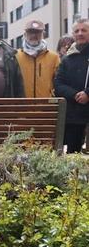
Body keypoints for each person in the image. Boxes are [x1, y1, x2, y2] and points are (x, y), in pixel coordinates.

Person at [54, 18, 89, 153]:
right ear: (73, 35)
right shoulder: (67, 59)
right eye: (77, 31)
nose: (80, 33)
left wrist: (87, 93)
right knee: (73, 154)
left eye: (84, 30)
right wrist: (75, 95)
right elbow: (58, 84)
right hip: (74, 116)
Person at [15, 20, 60, 98]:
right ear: (25, 34)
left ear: (43, 34)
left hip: (46, 106)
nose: (34, 35)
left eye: (37, 32)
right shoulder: (16, 56)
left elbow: (59, 82)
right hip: (22, 107)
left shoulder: (54, 57)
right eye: (30, 32)